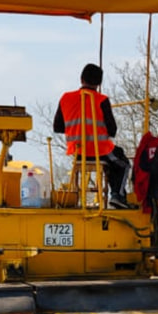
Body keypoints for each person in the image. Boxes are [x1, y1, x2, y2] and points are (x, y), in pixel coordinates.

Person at [53, 63, 132, 208]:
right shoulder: (101, 100)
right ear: (99, 83)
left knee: (116, 160)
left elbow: (58, 127)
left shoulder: (65, 98)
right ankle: (117, 196)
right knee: (123, 164)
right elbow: (112, 130)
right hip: (100, 151)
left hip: (77, 152)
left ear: (81, 78)